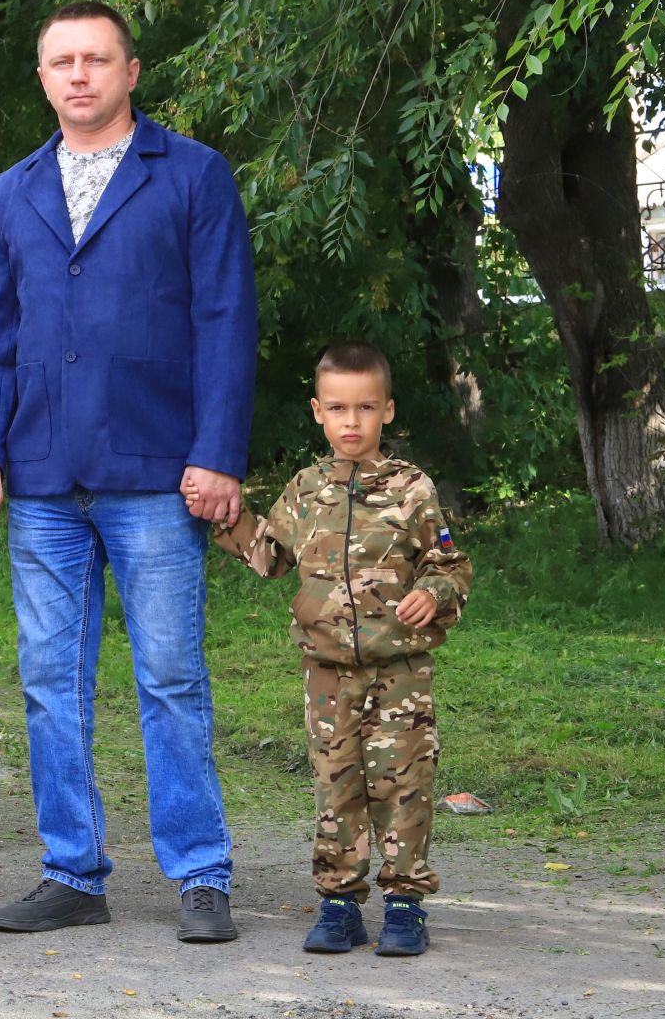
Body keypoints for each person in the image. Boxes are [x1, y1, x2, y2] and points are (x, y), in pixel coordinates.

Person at [0, 1, 257, 941]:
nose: (78, 74)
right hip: (40, 471)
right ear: (42, 78)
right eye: (60, 62)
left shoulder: (194, 174)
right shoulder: (14, 190)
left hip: (155, 468)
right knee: (51, 679)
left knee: (169, 675)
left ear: (132, 70)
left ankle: (200, 874)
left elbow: (225, 321)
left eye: (96, 59)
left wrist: (216, 454)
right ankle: (73, 872)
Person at [210, 341, 471, 957]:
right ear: (317, 412)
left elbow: (451, 564)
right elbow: (269, 557)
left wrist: (432, 594)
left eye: (365, 408)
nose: (351, 422)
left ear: (387, 411)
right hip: (327, 676)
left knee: (403, 787)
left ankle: (405, 906)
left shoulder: (412, 490)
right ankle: (338, 906)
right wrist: (222, 518)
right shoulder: (305, 490)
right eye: (338, 408)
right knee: (337, 787)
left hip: (400, 674)